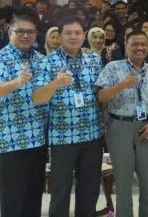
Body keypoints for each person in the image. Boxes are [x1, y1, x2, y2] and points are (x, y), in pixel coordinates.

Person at [32, 16, 105, 217]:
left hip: (92, 134)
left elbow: (101, 94)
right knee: (61, 189)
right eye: (68, 33)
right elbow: (37, 98)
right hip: (62, 136)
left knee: (89, 188)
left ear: (84, 35)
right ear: (60, 35)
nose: (73, 37)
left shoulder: (94, 59)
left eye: (78, 33)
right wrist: (55, 84)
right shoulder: (47, 62)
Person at [0, 11, 49, 216]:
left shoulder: (41, 59)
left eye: (30, 31)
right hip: (10, 137)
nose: (25, 35)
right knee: (13, 196)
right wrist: (17, 82)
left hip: (38, 136)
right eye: (20, 31)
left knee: (34, 193)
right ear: (9, 32)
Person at [96, 31, 148, 217]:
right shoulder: (112, 67)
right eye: (134, 44)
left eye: (143, 44)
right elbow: (101, 97)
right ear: (126, 46)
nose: (140, 48)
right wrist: (121, 85)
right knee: (123, 183)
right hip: (120, 127)